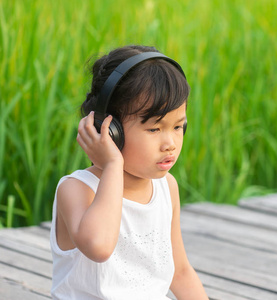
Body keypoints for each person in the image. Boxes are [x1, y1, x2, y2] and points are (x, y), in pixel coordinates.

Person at [49, 45, 209, 300]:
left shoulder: (167, 187)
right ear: (110, 130)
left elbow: (179, 272)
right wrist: (113, 164)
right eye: (155, 129)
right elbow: (99, 247)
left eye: (178, 126)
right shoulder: (77, 189)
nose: (170, 143)